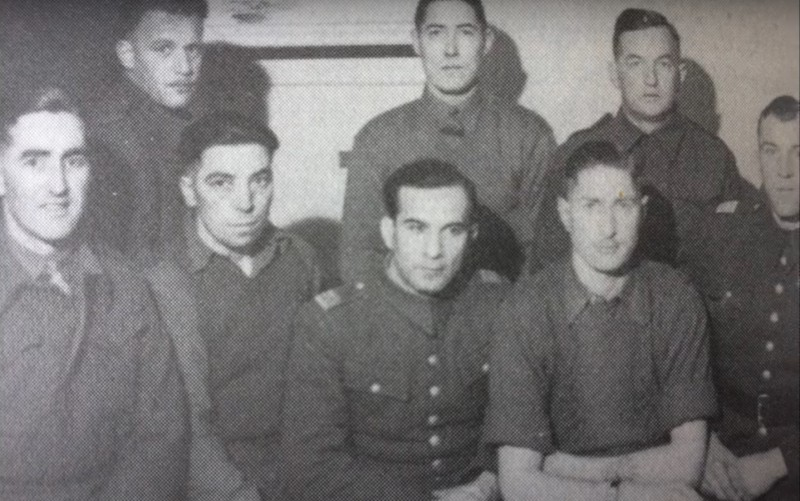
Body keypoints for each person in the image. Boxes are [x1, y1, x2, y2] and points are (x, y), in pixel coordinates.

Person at [487, 141, 717, 501]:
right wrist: (622, 494)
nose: (608, 228)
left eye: (622, 205)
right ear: (565, 214)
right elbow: (517, 484)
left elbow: (689, 464)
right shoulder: (525, 309)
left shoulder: (676, 299)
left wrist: (559, 466)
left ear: (642, 211)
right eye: (591, 206)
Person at [0, 87, 188, 500]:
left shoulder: (125, 285)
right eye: (35, 162)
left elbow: (161, 437)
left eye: (74, 161)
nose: (59, 186)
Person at [283, 159, 510, 500]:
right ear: (389, 233)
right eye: (417, 228)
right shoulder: (330, 322)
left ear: (472, 235)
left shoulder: (498, 303)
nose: (434, 251)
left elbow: (519, 423)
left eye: (453, 230)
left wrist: (488, 484)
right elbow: (312, 466)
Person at [147, 112, 320, 501]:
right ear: (189, 190)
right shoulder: (167, 279)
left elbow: (322, 392)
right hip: (215, 477)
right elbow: (189, 428)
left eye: (259, 180)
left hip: (302, 468)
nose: (246, 203)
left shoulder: (300, 258)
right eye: (221, 184)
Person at [340, 0, 555, 282]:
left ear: (486, 41)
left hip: (502, 316)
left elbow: (547, 254)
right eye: (435, 33)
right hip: (405, 320)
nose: (451, 50)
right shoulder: (378, 138)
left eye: (466, 32)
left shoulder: (529, 135)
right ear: (416, 42)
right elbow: (359, 256)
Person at [532, 8, 742, 271]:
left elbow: (735, 265)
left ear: (681, 74)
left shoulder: (713, 158)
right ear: (615, 74)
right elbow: (547, 265)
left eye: (663, 64)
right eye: (635, 63)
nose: (650, 79)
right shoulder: (576, 153)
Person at [685, 96, 798, 501]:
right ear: (758, 155)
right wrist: (702, 440)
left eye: (798, 152)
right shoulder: (723, 234)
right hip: (720, 454)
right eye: (772, 151)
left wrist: (777, 464)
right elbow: (683, 350)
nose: (785, 171)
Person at [86, 0, 208, 260]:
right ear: (127, 54)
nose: (185, 68)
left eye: (193, 50)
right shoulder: (112, 133)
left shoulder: (182, 119)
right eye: (164, 49)